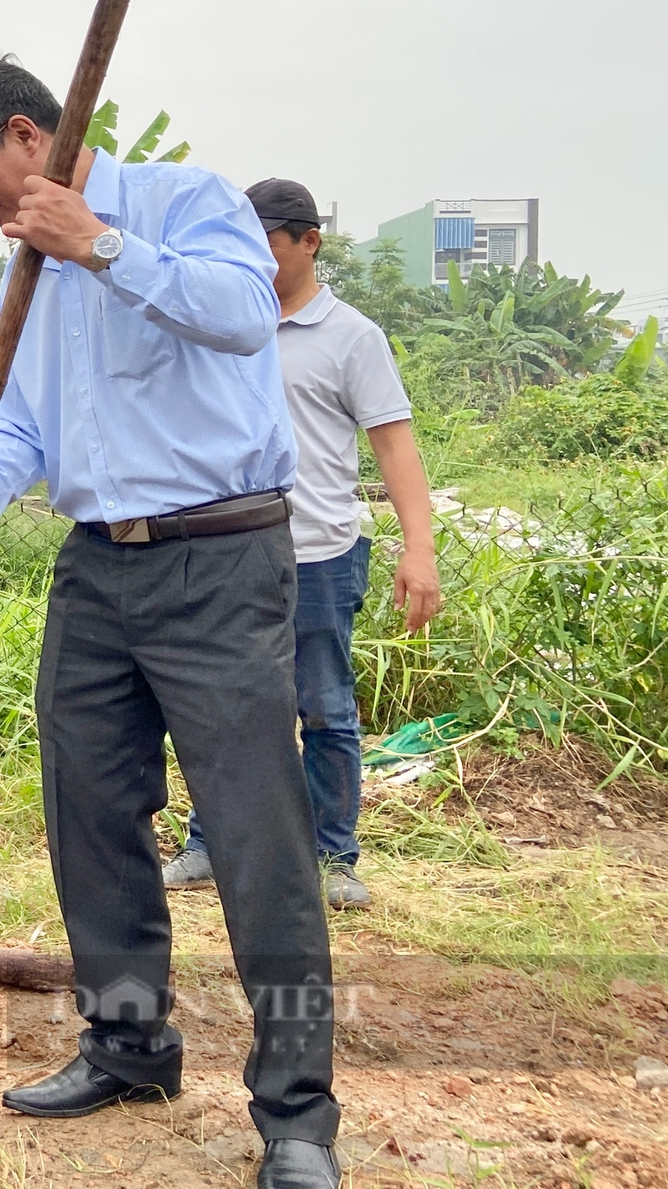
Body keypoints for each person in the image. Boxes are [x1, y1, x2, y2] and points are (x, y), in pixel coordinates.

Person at [0, 60, 341, 1189]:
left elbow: (246, 318)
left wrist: (96, 240)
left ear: (21, 134)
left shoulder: (184, 201)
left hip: (219, 558)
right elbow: (25, 430)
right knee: (89, 812)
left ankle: (295, 1119)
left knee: (254, 837)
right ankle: (128, 1047)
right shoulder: (22, 273)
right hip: (96, 573)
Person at [164, 179, 443, 910]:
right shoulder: (227, 331)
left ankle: (331, 857)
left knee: (324, 707)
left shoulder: (352, 337)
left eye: (263, 241)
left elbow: (393, 446)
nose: (247, 257)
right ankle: (210, 845)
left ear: (307, 241)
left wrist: (421, 549)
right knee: (223, 706)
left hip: (320, 551)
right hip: (227, 549)